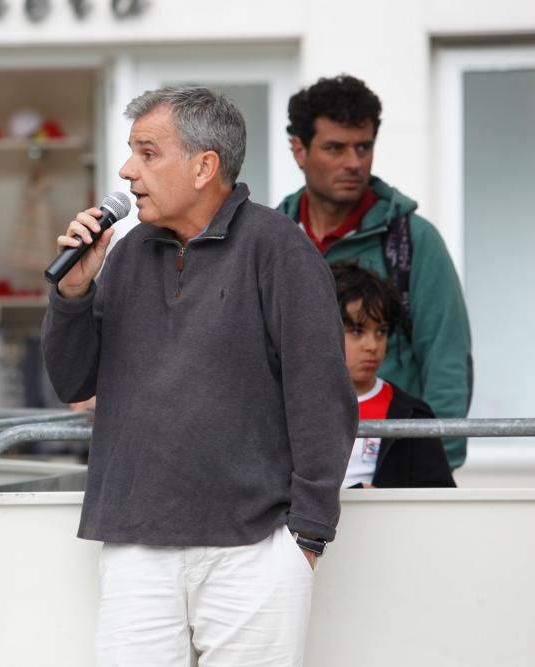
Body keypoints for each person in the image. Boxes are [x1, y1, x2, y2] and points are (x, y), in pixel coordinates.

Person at [42, 86, 357, 666]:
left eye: (147, 152)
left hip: (254, 548)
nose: (126, 170)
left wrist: (306, 537)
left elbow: (321, 398)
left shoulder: (278, 247)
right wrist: (72, 292)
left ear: (203, 166)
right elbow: (73, 383)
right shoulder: (129, 251)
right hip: (137, 542)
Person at [278, 74, 472, 470]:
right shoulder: (271, 241)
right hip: (289, 478)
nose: (353, 162)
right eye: (335, 148)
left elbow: (447, 361)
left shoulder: (413, 240)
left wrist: (433, 467)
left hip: (389, 474)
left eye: (363, 147)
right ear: (299, 150)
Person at [332, 261, 456, 489]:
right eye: (357, 331)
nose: (372, 345)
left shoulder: (412, 414)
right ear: (324, 329)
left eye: (381, 331)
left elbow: (438, 501)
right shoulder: (291, 406)